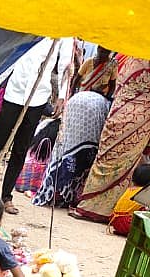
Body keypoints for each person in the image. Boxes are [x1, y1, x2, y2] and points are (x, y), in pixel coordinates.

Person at [0, 38, 74, 214]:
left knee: (20, 150)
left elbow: (66, 65)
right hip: (14, 92)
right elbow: (10, 56)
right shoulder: (27, 21)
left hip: (37, 96)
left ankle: (6, 196)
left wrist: (61, 95)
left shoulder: (63, 33)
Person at [32, 54, 115, 209]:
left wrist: (72, 95)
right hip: (96, 105)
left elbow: (77, 79)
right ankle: (72, 196)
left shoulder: (93, 61)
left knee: (65, 148)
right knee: (87, 153)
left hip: (77, 101)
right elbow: (113, 86)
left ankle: (52, 191)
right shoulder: (111, 65)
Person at [74, 57, 150, 223]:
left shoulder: (132, 56)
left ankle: (91, 206)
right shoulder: (137, 56)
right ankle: (103, 209)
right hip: (135, 116)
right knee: (118, 162)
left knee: (107, 159)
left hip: (121, 112)